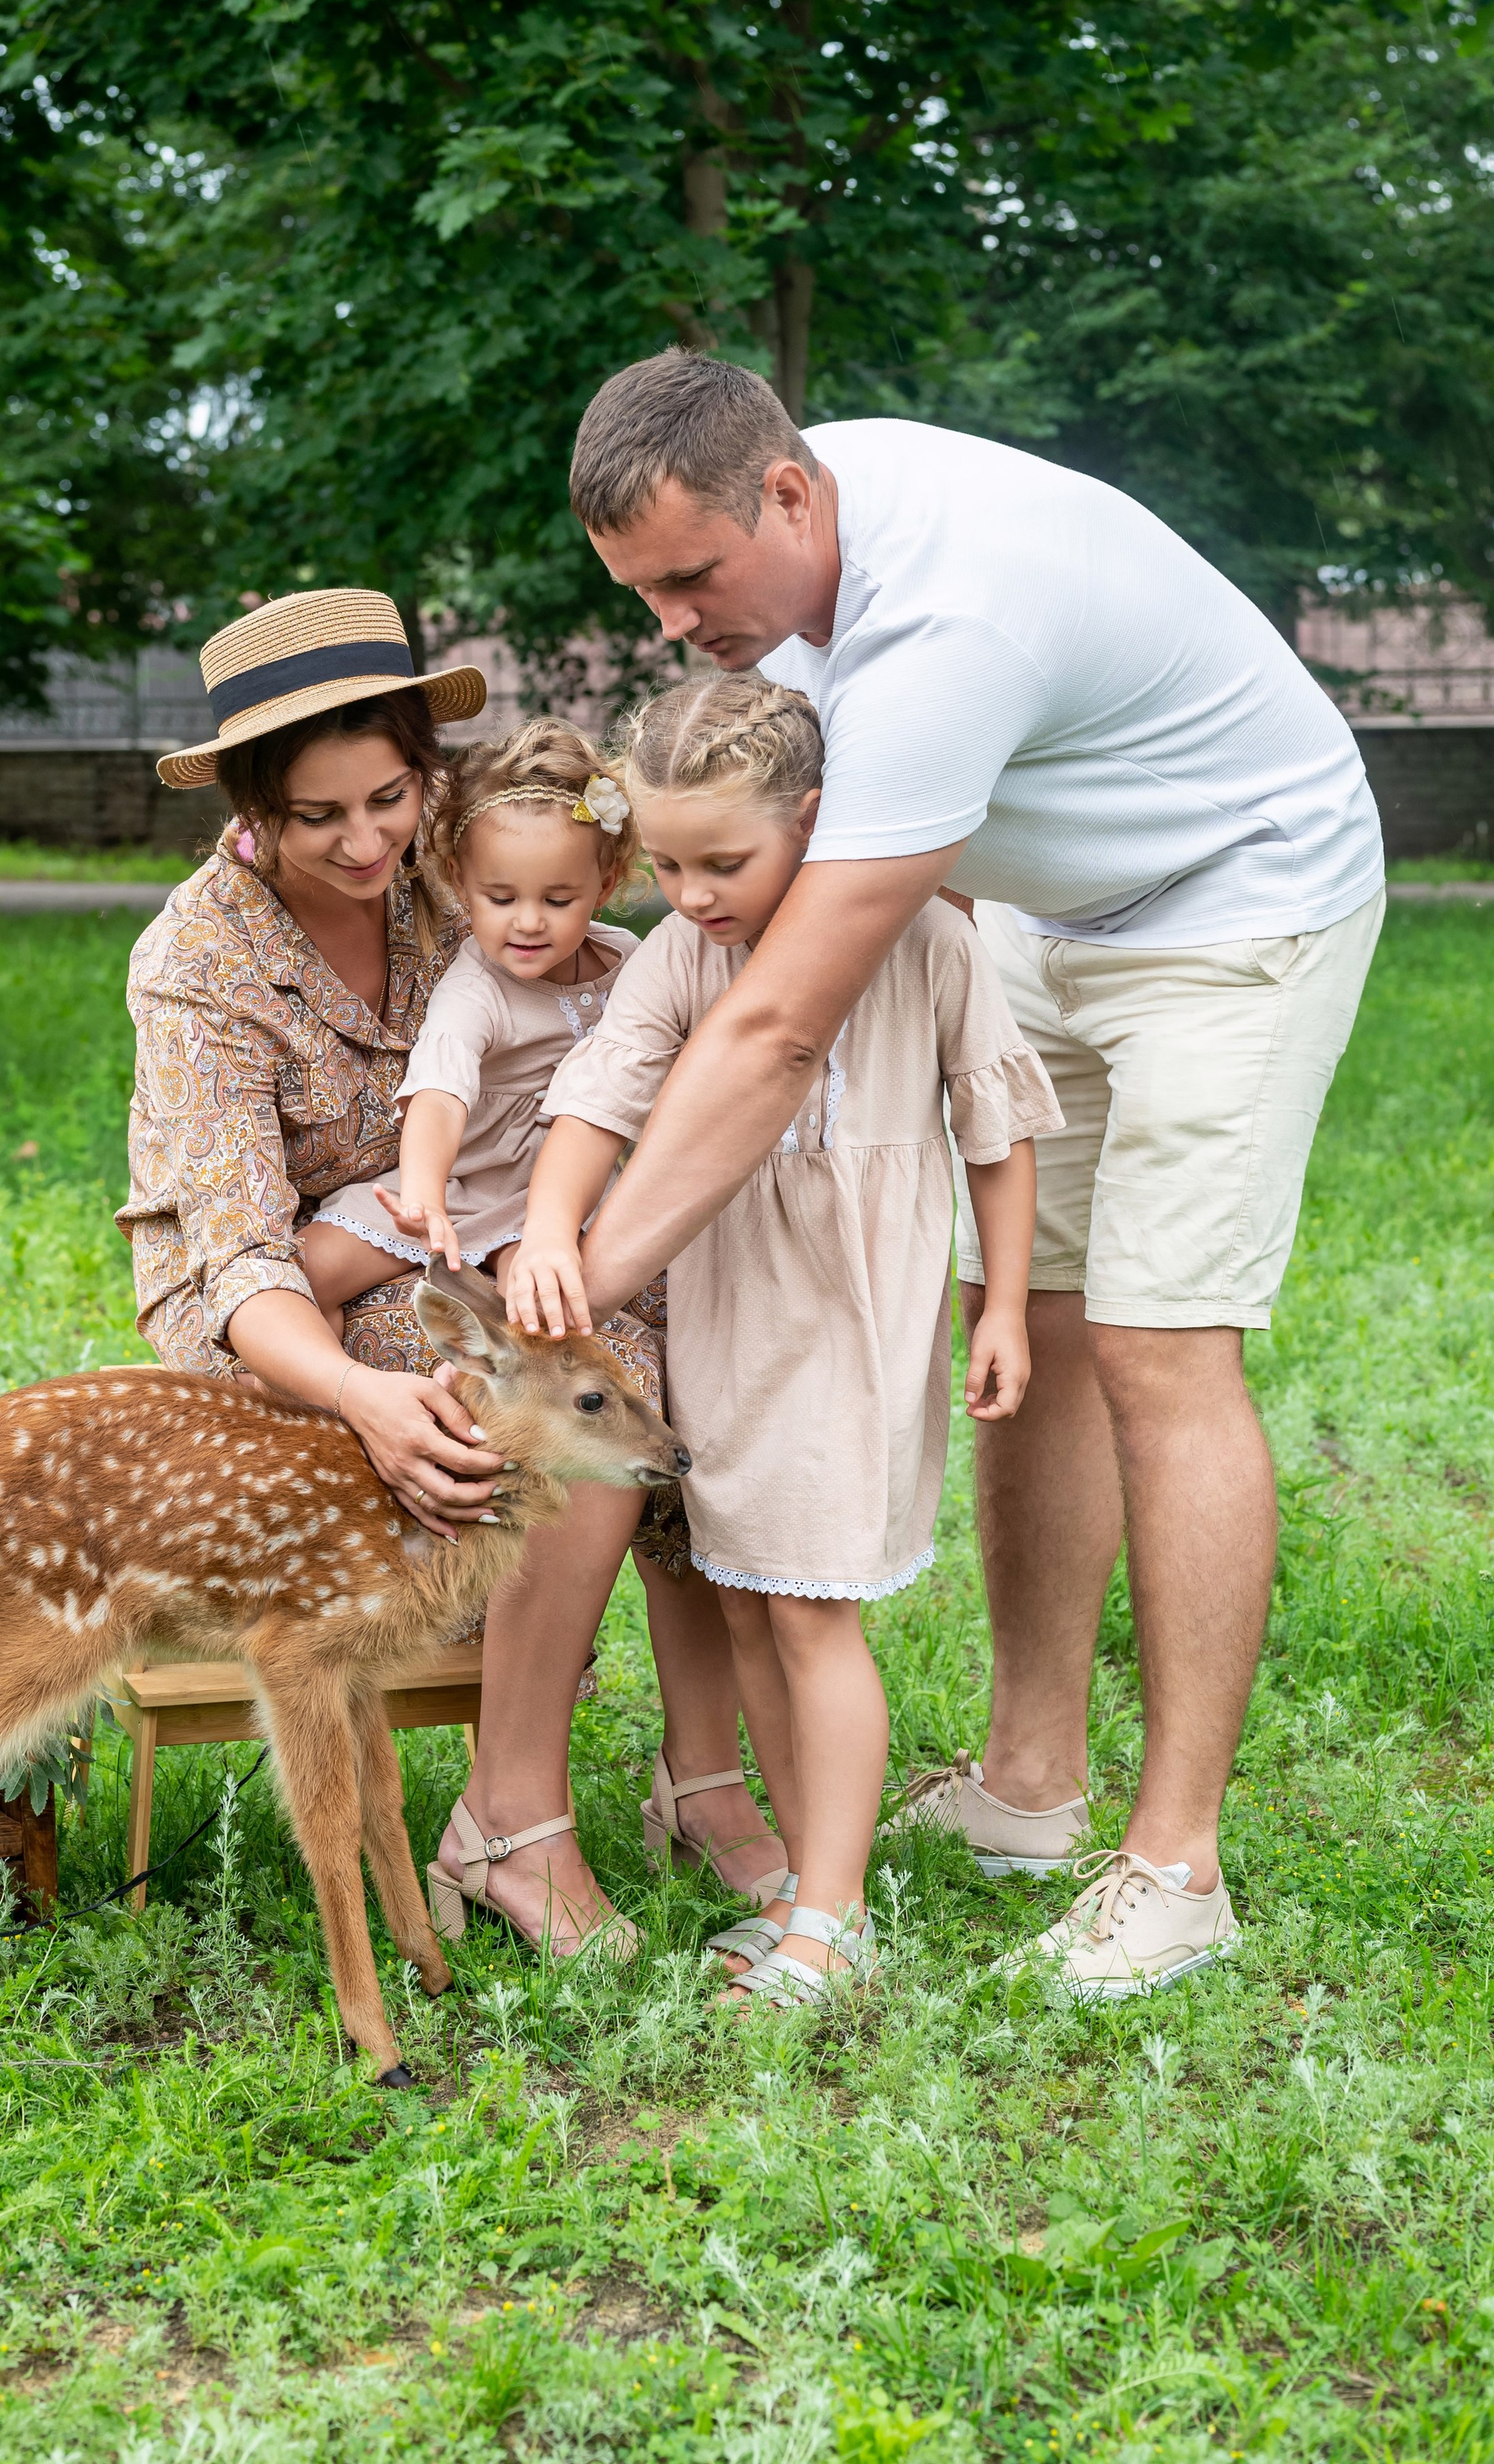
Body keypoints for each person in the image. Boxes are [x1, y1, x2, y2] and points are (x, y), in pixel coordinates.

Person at [554, 351, 1386, 1998]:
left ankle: (1173, 1869)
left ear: (785, 495)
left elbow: (781, 1021)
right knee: (1049, 1335)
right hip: (1050, 913)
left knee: (1158, 1343)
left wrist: (581, 1279)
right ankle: (1025, 1786)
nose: (672, 625)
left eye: (690, 580)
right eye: (640, 594)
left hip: (1240, 901)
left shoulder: (941, 631)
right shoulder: (799, 499)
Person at [117, 586, 784, 1956]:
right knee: (591, 1384)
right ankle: (515, 1820)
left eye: (389, 796)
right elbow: (242, 1257)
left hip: (465, 1245)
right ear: (252, 806)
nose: (367, 840)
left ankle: (701, 1768)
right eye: (319, 815)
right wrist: (367, 1398)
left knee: (686, 1328)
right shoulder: (198, 958)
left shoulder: (462, 872)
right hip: (274, 1313)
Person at [508, 672, 1059, 2008]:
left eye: (724, 861)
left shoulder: (924, 941)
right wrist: (545, 1222)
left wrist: (1000, 1303)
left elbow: (1001, 1130)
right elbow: (601, 1089)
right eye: (670, 861)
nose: (691, 892)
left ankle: (830, 1916)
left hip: (847, 1330)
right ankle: (818, 1879)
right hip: (727, 1323)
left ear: (813, 821)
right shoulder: (687, 956)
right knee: (750, 1600)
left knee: (811, 1615)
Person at [300, 717, 643, 1309]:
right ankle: (285, 1384)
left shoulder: (632, 963)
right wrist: (423, 1194)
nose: (529, 921)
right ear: (460, 883)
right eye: (501, 898)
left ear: (605, 884)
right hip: (461, 1184)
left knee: (536, 1301)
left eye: (558, 900)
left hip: (559, 1196)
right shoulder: (477, 988)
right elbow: (440, 1091)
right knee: (308, 1273)